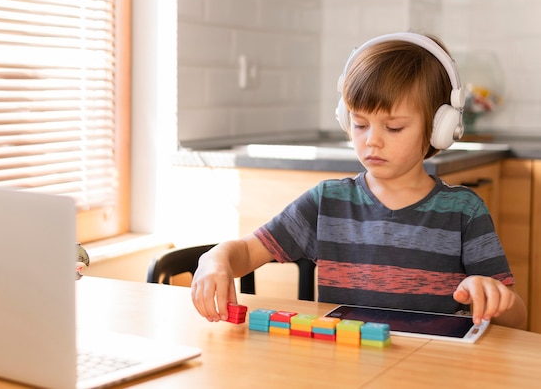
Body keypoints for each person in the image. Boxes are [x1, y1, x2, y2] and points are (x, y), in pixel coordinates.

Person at [190, 32, 527, 330]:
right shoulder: (328, 201)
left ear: (440, 127)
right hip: (344, 365)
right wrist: (214, 260)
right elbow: (247, 251)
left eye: (393, 127)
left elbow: (516, 318)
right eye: (360, 123)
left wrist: (500, 299)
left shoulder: (464, 211)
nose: (371, 141)